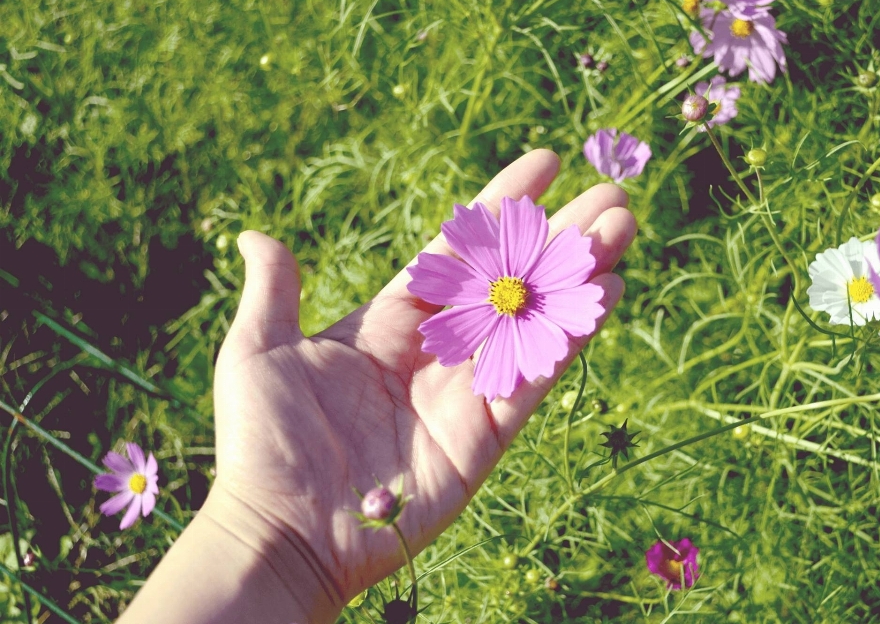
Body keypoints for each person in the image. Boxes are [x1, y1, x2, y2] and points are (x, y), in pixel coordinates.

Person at [115, 149, 637, 623]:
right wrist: (262, 526)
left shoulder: (519, 293)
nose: (505, 291)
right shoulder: (478, 310)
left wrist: (263, 532)